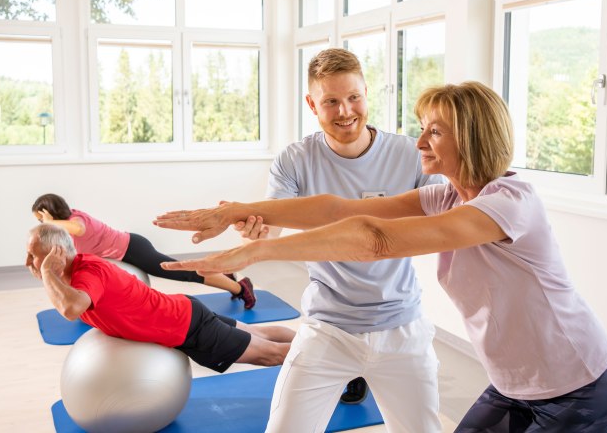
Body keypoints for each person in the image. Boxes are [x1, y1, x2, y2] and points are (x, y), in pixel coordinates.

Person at [154, 81, 607, 432]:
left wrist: (257, 251)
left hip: (577, 385)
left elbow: (375, 240)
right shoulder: (446, 198)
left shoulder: (508, 204)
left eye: (434, 133)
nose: (420, 142)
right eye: (422, 130)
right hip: (515, 385)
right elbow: (339, 209)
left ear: (472, 137)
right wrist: (241, 210)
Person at [157, 48, 445, 433]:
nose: (345, 111)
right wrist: (253, 228)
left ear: (367, 94)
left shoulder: (411, 154)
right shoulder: (295, 159)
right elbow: (276, 221)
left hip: (402, 328)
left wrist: (256, 242)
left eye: (354, 97)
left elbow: (428, 227)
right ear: (312, 104)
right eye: (331, 101)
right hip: (329, 328)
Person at [26, 223, 294, 372]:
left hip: (188, 327)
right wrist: (50, 273)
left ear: (56, 253)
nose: (27, 262)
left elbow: (72, 308)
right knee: (263, 335)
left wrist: (48, 271)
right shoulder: (75, 274)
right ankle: (318, 343)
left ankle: (332, 364)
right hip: (186, 313)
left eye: (33, 255)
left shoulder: (88, 272)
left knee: (271, 354)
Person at [31, 193, 256, 309]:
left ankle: (240, 286)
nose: (41, 223)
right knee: (180, 271)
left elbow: (77, 229)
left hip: (132, 248)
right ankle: (226, 278)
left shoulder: (76, 220)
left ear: (49, 214)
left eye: (40, 218)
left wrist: (49, 222)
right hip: (127, 249)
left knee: (181, 271)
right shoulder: (68, 222)